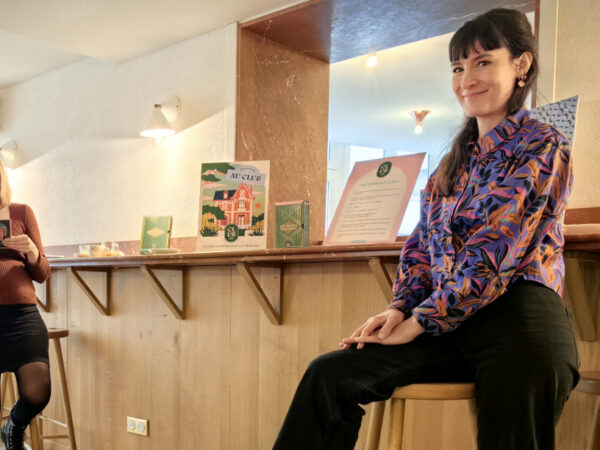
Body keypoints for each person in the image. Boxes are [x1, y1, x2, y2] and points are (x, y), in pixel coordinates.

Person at [273, 8, 579, 450]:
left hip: (520, 320)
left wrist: (420, 320)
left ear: (521, 65)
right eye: (458, 67)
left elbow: (492, 255)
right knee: (329, 375)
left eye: (483, 62)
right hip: (448, 323)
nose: (466, 79)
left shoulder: (543, 145)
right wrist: (400, 308)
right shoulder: (451, 165)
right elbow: (421, 249)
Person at [0, 161, 51, 450]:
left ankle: (14, 425)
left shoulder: (22, 212)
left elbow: (42, 274)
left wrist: (31, 250)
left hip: (22, 315)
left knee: (38, 392)